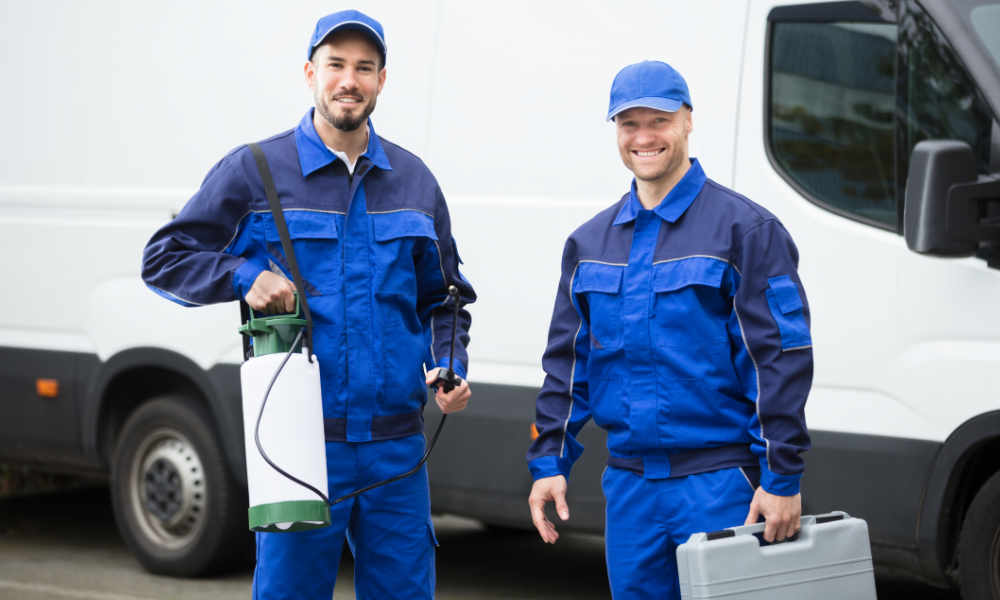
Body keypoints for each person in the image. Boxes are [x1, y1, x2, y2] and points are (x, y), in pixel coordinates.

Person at [142, 9, 474, 599]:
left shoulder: (415, 182)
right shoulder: (257, 171)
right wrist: (244, 275)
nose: (350, 80)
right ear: (310, 73)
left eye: (364, 68)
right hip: (299, 444)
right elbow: (164, 259)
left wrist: (449, 364)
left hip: (396, 451)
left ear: (381, 80)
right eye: (336, 65)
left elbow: (446, 298)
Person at [526, 60, 812, 599]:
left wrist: (781, 477)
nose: (643, 137)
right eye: (628, 124)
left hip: (721, 484)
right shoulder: (589, 245)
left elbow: (778, 360)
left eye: (657, 120)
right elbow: (567, 366)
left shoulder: (745, 231)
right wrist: (549, 461)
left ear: (687, 121)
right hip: (630, 489)